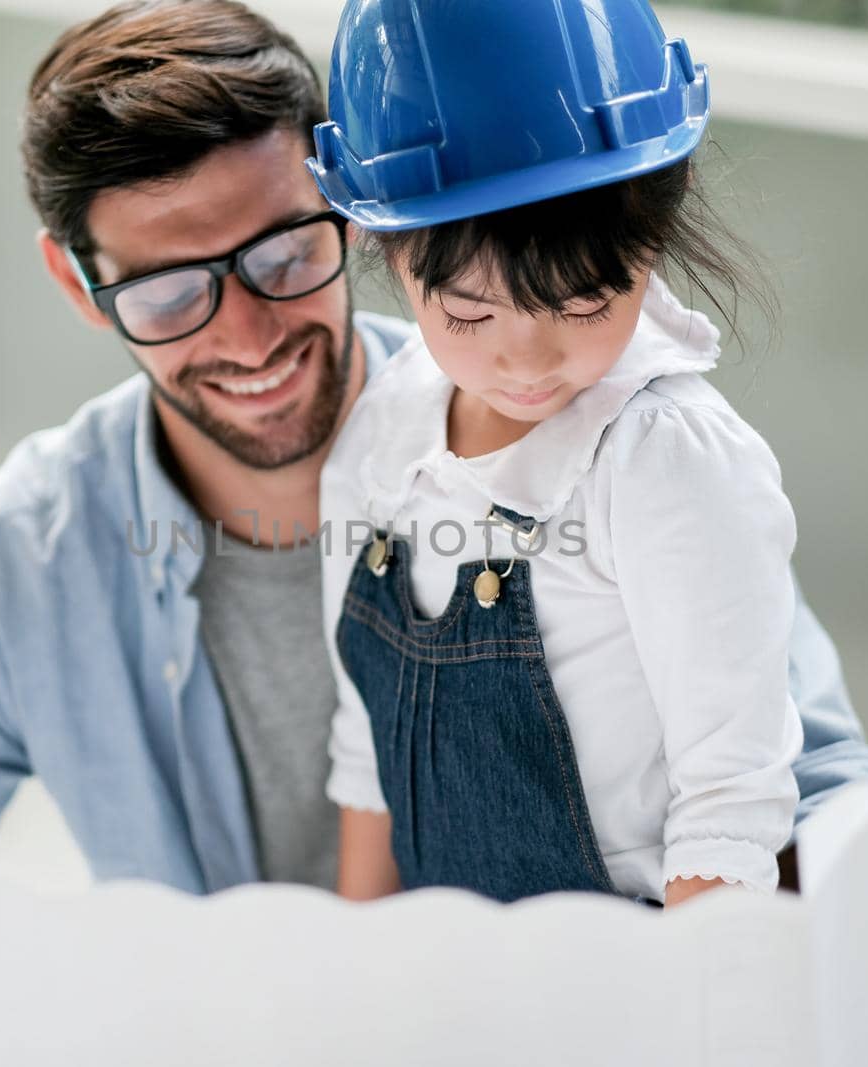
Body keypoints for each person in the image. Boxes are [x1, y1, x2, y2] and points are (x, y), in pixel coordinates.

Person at [0, 1, 868, 1061]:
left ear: (352, 222)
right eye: (173, 291)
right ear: (80, 288)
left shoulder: (609, 449)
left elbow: (809, 789)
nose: (244, 336)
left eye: (285, 254)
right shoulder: (22, 570)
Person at [315, 0, 799, 910]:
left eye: (583, 303)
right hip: (449, 978)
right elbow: (364, 754)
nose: (527, 361)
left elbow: (730, 805)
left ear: (654, 229)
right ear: (377, 242)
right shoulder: (379, 441)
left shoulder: (664, 462)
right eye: (467, 313)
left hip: (643, 975)